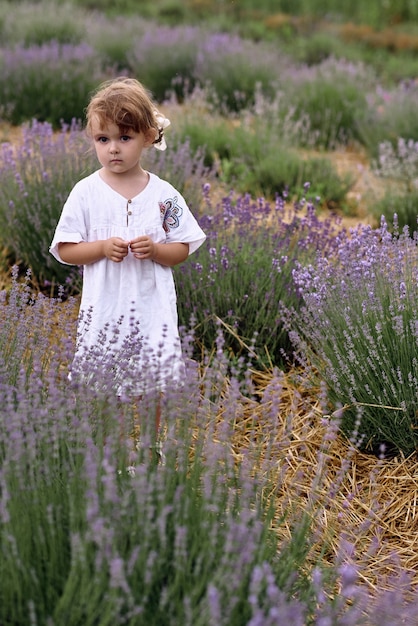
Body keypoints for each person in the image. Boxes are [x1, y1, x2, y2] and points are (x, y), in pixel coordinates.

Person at [49, 76, 206, 444]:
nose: (113, 149)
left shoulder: (164, 195)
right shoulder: (86, 193)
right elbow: (67, 250)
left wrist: (155, 250)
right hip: (105, 305)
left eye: (125, 138)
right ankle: (112, 454)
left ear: (149, 136)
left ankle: (149, 452)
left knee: (151, 383)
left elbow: (182, 248)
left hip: (150, 305)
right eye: (103, 140)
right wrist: (102, 247)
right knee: (106, 381)